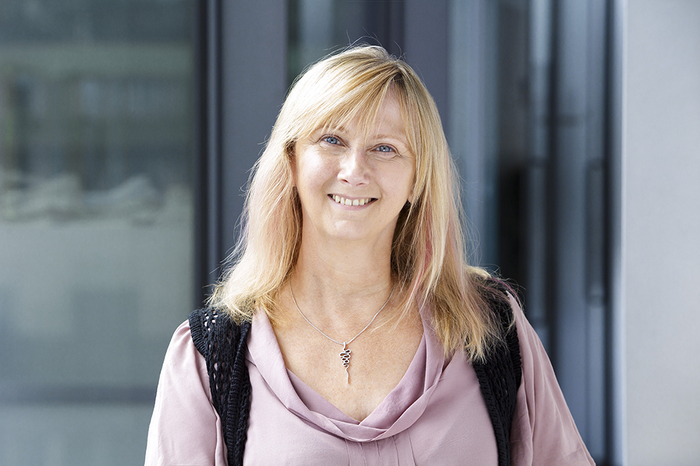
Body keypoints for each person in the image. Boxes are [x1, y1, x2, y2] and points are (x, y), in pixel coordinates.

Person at [145, 45, 594, 466]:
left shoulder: (490, 324)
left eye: (385, 148)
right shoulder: (212, 357)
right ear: (292, 161)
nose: (355, 171)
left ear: (418, 180)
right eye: (332, 140)